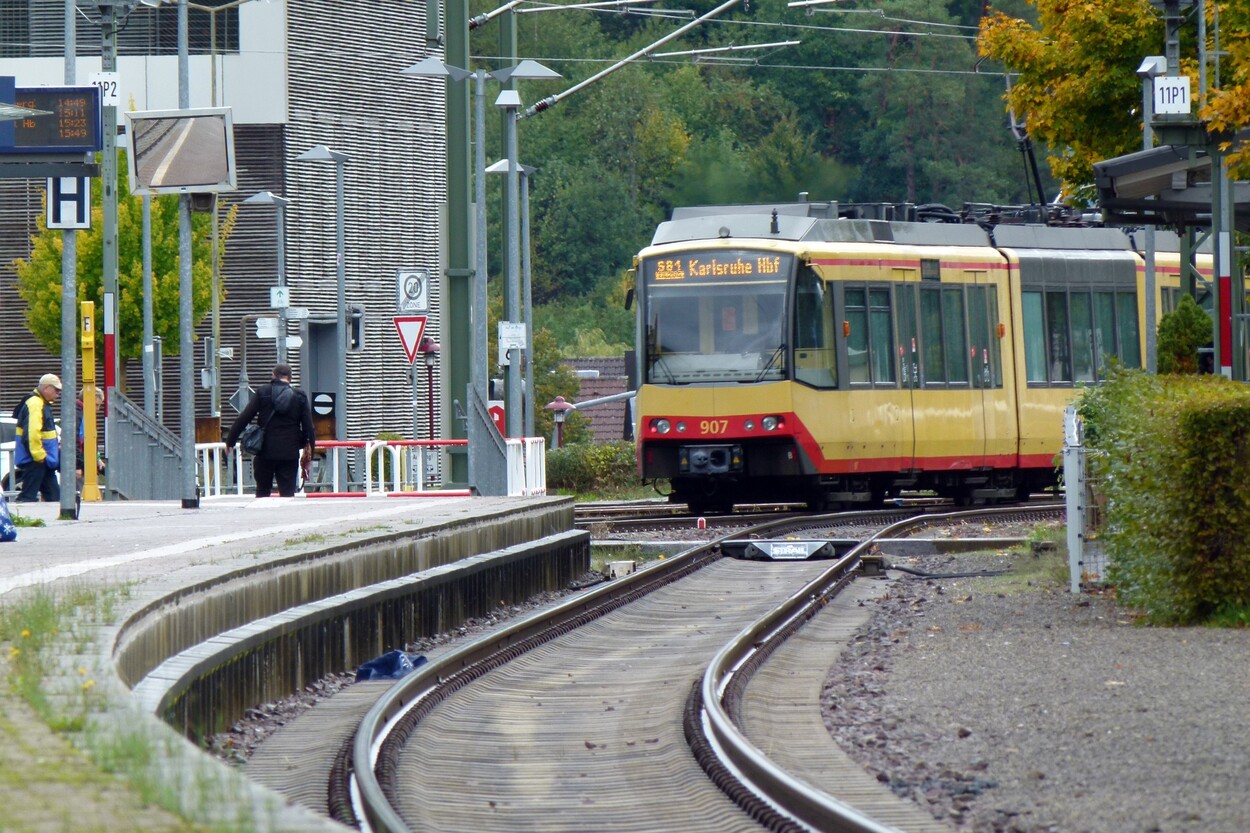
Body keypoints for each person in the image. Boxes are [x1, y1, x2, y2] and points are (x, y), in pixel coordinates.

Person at [225, 364, 315, 497]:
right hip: (289, 452)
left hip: (264, 451)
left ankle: (261, 516)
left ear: (273, 375)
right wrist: (310, 454)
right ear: (290, 378)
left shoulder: (263, 392)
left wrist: (230, 441)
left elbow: (244, 418)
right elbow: (308, 427)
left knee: (262, 490)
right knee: (288, 493)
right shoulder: (299, 396)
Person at [14, 373, 62, 503]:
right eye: (56, 390)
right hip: (38, 460)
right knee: (29, 496)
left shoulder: (38, 402)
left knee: (53, 497)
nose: (58, 394)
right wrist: (39, 455)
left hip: (41, 459)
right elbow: (32, 432)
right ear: (46, 388)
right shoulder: (36, 404)